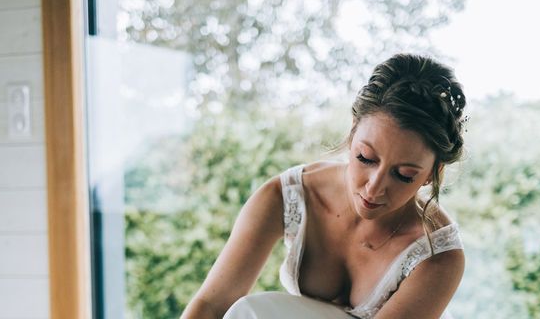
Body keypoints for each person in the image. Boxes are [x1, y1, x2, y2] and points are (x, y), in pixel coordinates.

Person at [182, 53, 467, 319]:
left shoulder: (438, 256)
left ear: (433, 173)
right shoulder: (287, 197)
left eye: (404, 175)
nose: (374, 188)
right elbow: (211, 305)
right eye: (365, 158)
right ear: (353, 129)